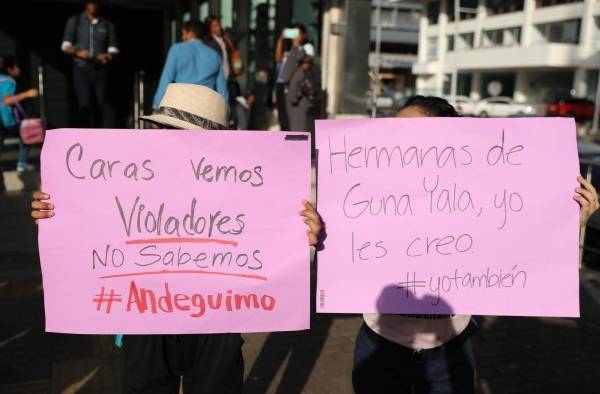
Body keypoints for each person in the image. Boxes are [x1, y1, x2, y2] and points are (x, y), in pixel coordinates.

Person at [30, 82, 322, 393]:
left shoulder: (244, 187)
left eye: (180, 133)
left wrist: (307, 234)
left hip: (219, 318)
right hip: (144, 318)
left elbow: (277, 243)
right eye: (162, 128)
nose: (166, 139)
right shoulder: (127, 175)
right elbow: (85, 225)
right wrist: (54, 214)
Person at [351, 95, 600, 394]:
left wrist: (568, 224)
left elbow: (520, 248)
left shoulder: (476, 200)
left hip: (450, 353)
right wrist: (319, 235)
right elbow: (345, 251)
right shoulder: (369, 194)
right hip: (378, 349)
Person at [62, 0, 119, 127]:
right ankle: (84, 136)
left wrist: (108, 56)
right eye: (90, 2)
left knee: (100, 105)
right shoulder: (75, 21)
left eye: (96, 3)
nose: (93, 5)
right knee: (84, 105)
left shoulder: (106, 24)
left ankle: (97, 136)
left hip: (100, 69)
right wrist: (77, 52)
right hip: (81, 68)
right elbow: (65, 44)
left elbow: (113, 47)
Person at [153, 19, 228, 112]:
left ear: (191, 33)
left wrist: (157, 106)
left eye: (183, 33)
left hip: (181, 110)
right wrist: (227, 114)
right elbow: (223, 91)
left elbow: (166, 79)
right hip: (206, 112)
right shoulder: (215, 55)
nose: (183, 37)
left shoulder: (177, 50)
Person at [0, 55, 39, 172]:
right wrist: (27, 94)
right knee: (26, 134)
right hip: (7, 119)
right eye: (16, 66)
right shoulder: (9, 81)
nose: (18, 69)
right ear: (9, 69)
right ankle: (22, 164)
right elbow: (7, 100)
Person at [281, 24, 319, 132]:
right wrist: (281, 39)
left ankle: (300, 147)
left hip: (301, 91)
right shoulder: (291, 49)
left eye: (298, 33)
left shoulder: (307, 47)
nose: (295, 36)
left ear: (304, 35)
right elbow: (280, 60)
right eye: (293, 33)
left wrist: (297, 47)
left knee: (299, 123)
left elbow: (306, 65)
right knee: (291, 122)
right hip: (289, 90)